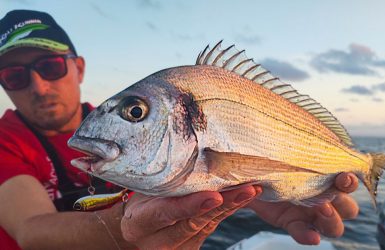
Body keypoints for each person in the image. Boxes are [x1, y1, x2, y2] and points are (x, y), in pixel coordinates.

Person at [0, 9, 359, 250]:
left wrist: (254, 196)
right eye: (13, 76)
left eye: (49, 66)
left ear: (78, 68)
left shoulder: (109, 127)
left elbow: (200, 169)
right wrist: (121, 229)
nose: (38, 87)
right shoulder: (9, 141)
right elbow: (30, 229)